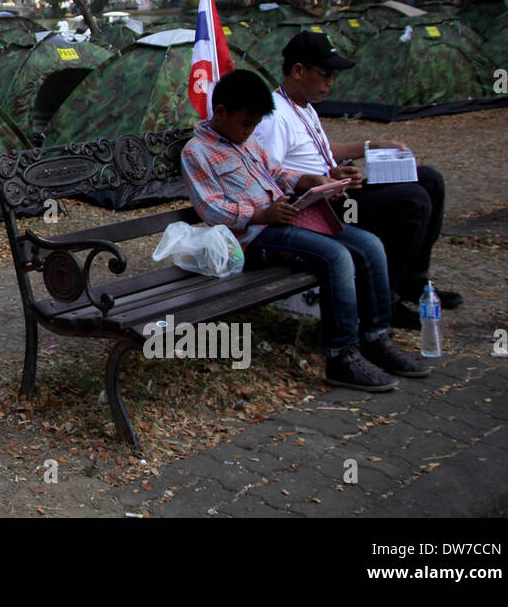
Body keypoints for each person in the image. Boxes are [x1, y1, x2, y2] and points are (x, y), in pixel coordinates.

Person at [181, 69, 430, 392]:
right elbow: (211, 208)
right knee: (337, 257)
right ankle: (341, 356)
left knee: (369, 244)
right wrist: (261, 214)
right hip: (254, 239)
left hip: (287, 219)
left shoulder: (247, 142)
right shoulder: (196, 152)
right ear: (222, 112)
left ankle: (375, 337)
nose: (249, 131)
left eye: (255, 125)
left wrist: (311, 181)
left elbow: (278, 172)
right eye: (245, 123)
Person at [250, 32, 452, 329]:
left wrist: (365, 150)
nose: (332, 81)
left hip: (336, 190)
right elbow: (268, 176)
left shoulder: (303, 106)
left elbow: (319, 151)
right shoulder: (274, 116)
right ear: (298, 71)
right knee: (413, 200)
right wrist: (322, 182)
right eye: (326, 73)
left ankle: (414, 282)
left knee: (430, 180)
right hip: (317, 208)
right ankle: (387, 298)